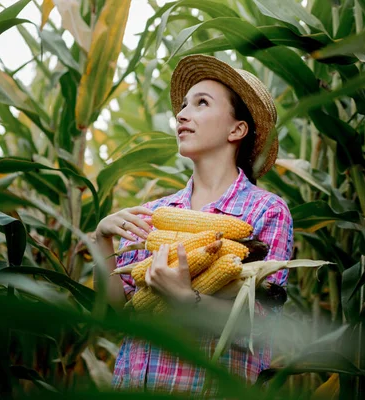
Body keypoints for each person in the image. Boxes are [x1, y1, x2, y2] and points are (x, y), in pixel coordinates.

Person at [94, 54, 294, 397]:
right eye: (183, 106)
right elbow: (121, 312)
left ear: (237, 129)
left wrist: (187, 299)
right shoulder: (154, 212)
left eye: (201, 103)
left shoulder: (266, 211)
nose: (181, 115)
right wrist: (101, 240)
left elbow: (260, 324)